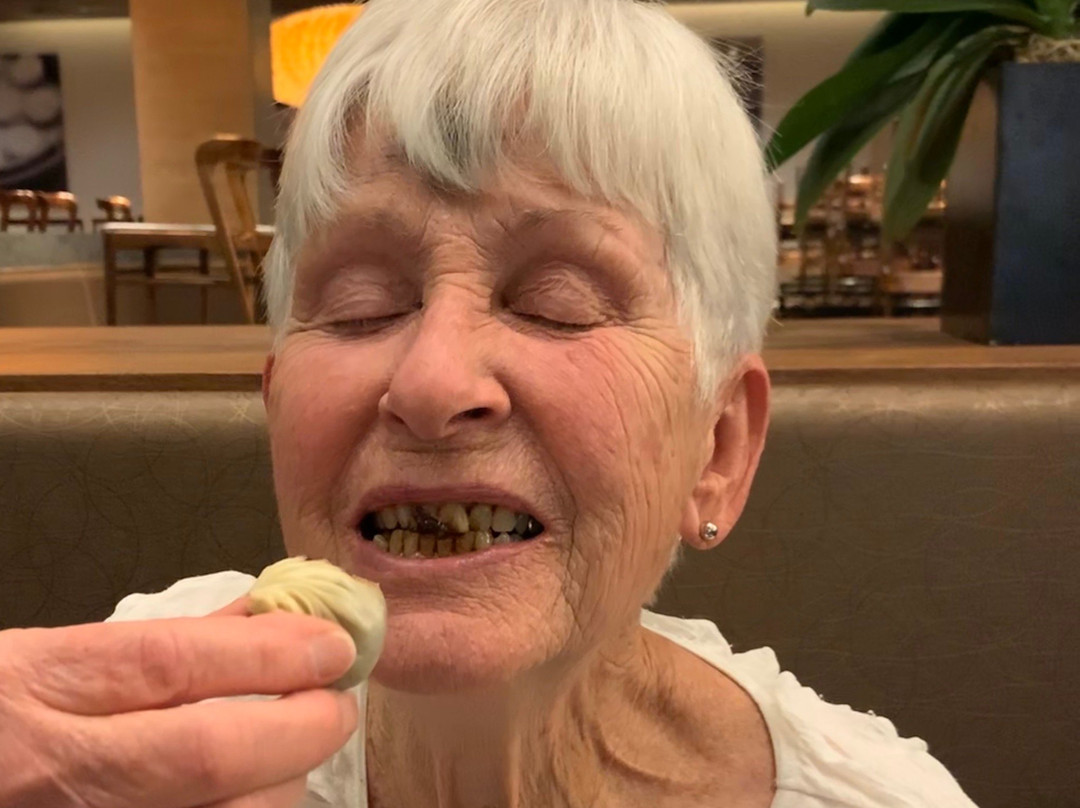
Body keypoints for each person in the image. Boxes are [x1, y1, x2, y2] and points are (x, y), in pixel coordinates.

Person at [0, 0, 979, 805]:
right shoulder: (130, 729)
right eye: (362, 305)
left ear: (717, 446)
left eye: (557, 303)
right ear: (277, 406)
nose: (431, 383)